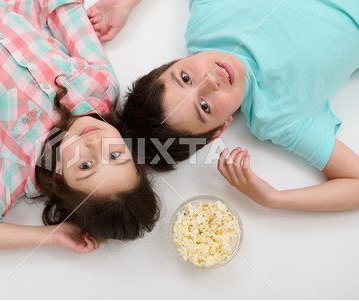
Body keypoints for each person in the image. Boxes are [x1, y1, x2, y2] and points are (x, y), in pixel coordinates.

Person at [0, 0, 160, 253]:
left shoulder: (21, 164)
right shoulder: (101, 85)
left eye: (86, 166)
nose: (95, 144)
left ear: (60, 174)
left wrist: (51, 235)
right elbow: (65, 10)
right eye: (115, 155)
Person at [87, 0, 359, 211]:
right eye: (204, 107)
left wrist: (126, 4)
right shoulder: (279, 118)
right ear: (220, 129)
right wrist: (273, 198)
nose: (209, 80)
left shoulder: (206, 24)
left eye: (185, 77)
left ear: (171, 62)